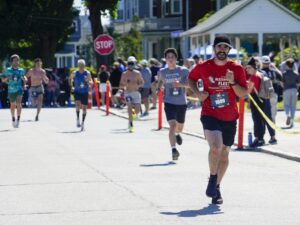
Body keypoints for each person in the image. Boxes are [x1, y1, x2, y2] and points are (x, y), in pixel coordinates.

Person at [188, 35, 248, 205]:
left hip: (230, 117)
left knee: (224, 154)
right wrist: (198, 93)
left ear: (229, 50)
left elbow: (243, 93)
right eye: (219, 47)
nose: (222, 50)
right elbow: (191, 79)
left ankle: (217, 187)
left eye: (225, 48)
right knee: (216, 147)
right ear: (214, 48)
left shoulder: (236, 69)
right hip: (210, 113)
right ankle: (212, 178)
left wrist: (232, 83)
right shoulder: (203, 67)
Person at [157, 48, 189, 161]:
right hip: (169, 102)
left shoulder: (184, 71)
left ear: (176, 59)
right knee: (172, 125)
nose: (170, 59)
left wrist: (180, 84)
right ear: (165, 59)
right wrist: (158, 88)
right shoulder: (162, 72)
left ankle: (177, 134)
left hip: (181, 102)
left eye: (172, 57)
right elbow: (160, 81)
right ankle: (174, 149)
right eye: (168, 57)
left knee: (179, 127)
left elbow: (190, 85)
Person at [246, 57, 277, 145]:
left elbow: (249, 90)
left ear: (253, 67)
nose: (247, 69)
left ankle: (258, 139)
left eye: (248, 67)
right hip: (265, 99)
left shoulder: (253, 76)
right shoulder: (261, 74)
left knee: (257, 120)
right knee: (267, 118)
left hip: (256, 100)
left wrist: (248, 102)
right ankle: (273, 137)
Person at [1, 54, 27, 128]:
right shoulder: (8, 70)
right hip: (11, 90)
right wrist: (7, 78)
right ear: (11, 62)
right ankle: (13, 118)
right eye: (15, 60)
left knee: (19, 103)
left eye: (17, 60)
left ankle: (18, 119)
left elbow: (23, 77)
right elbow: (3, 80)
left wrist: (25, 81)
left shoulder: (21, 70)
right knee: (13, 105)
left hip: (19, 89)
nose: (16, 62)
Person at [119, 56, 144, 133]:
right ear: (127, 64)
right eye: (129, 63)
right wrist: (122, 88)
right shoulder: (124, 74)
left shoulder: (138, 73)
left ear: (134, 64)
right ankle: (131, 125)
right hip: (128, 93)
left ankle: (132, 117)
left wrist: (138, 85)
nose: (131, 65)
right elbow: (121, 84)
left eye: (132, 63)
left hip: (136, 93)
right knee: (129, 108)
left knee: (137, 110)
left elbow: (142, 83)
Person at [69, 59, 93, 131]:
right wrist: (72, 86)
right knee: (78, 105)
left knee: (84, 108)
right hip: (77, 91)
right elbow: (70, 79)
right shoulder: (75, 73)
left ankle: (83, 123)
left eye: (82, 66)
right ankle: (78, 119)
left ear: (84, 66)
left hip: (84, 92)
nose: (81, 67)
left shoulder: (87, 73)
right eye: (80, 66)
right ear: (78, 66)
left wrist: (88, 82)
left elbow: (91, 82)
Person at [261, 55, 282, 123]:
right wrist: (275, 67)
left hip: (264, 93)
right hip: (273, 92)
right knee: (273, 107)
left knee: (264, 107)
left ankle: (265, 121)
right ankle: (272, 120)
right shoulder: (274, 71)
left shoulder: (260, 72)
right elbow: (281, 76)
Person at [282, 58, 300, 128]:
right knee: (293, 106)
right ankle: (292, 122)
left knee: (286, 105)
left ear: (287, 65)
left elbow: (283, 83)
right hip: (294, 90)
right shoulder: (296, 74)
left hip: (286, 90)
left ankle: (288, 115)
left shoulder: (284, 73)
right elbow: (298, 84)